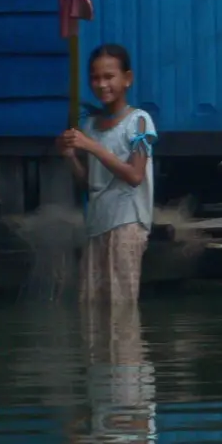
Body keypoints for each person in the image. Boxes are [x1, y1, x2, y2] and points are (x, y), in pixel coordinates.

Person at [58, 44, 157, 307]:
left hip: (127, 224)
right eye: (95, 78)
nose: (101, 84)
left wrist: (91, 146)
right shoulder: (90, 125)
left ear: (127, 79)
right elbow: (89, 183)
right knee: (91, 306)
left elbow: (135, 176)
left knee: (120, 307)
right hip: (97, 224)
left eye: (109, 77)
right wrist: (70, 156)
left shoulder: (139, 121)